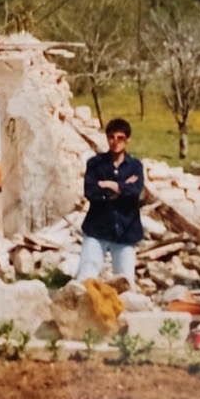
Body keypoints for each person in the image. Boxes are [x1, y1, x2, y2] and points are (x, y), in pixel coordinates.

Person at [76, 117, 145, 284]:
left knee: (125, 281)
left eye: (120, 138)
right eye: (111, 137)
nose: (115, 142)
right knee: (86, 278)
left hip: (126, 229)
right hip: (98, 228)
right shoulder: (95, 164)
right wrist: (121, 189)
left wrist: (110, 185)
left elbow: (136, 191)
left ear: (127, 139)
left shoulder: (135, 166)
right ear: (107, 138)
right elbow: (90, 191)